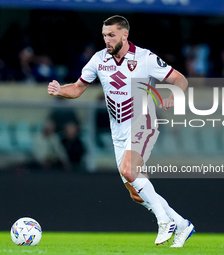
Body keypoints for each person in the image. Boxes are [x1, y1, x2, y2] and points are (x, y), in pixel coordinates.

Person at [48, 15, 194, 247]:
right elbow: (77, 88)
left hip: (143, 123)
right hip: (118, 132)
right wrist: (59, 90)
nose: (107, 39)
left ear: (125, 35)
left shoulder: (145, 58)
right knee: (136, 193)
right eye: (105, 35)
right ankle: (183, 224)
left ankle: (165, 221)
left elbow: (180, 79)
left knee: (129, 170)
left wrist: (174, 96)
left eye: (111, 35)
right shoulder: (98, 60)